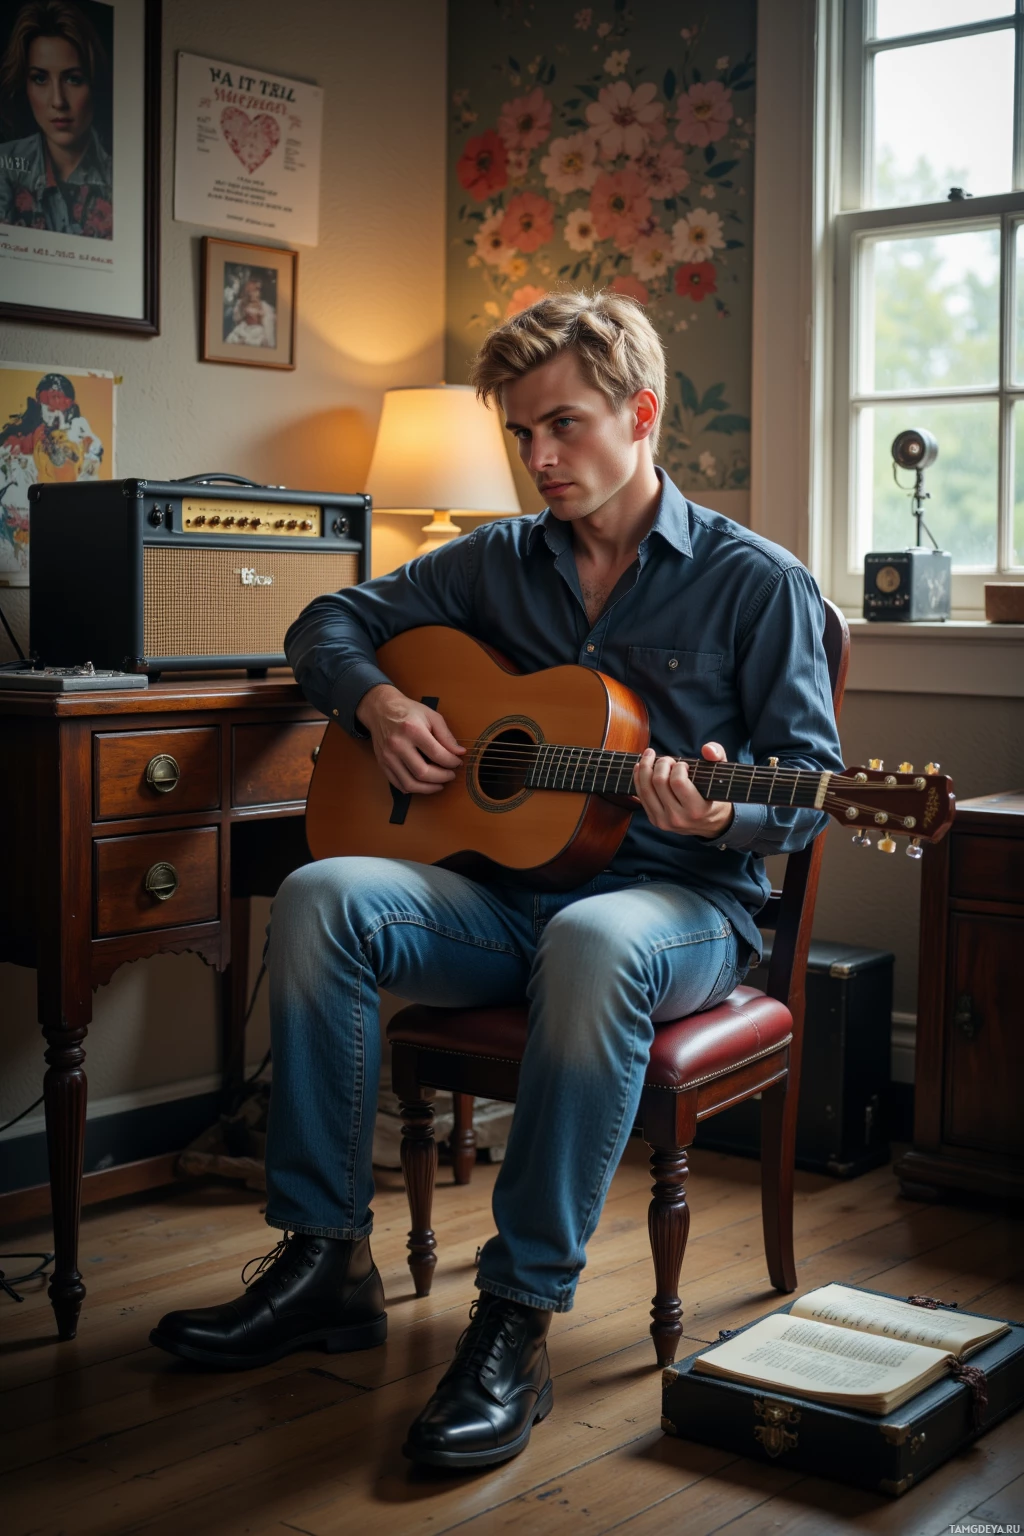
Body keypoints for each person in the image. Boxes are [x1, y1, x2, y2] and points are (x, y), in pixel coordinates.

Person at [150, 291, 845, 1472]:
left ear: (642, 412)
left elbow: (809, 789)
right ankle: (325, 1259)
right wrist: (376, 700)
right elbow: (327, 619)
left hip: (675, 909)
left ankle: (514, 1320)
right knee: (322, 896)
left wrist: (725, 807)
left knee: (596, 942)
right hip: (502, 898)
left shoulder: (755, 583)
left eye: (564, 426)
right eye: (521, 433)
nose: (538, 459)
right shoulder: (490, 563)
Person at [0, 0, 113, 239]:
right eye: (40, 79)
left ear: (94, 83)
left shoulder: (119, 176)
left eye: (73, 79)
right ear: (25, 85)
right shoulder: (5, 167)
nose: (58, 101)